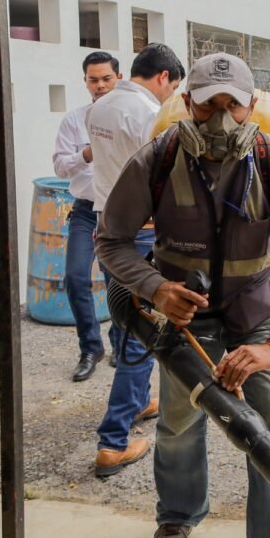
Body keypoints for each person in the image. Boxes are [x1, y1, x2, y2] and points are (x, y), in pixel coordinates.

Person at [95, 52, 270, 538]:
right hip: (183, 314)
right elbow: (110, 240)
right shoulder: (158, 157)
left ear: (251, 107)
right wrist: (154, 288)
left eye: (232, 105)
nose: (220, 120)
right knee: (179, 420)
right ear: (187, 103)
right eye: (208, 105)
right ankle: (177, 514)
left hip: (259, 315)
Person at [87, 42, 185, 477]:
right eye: (175, 86)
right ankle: (113, 441)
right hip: (141, 237)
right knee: (143, 334)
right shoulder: (150, 115)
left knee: (129, 323)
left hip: (107, 232)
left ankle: (141, 400)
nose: (173, 95)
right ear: (163, 77)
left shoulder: (99, 108)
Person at [53, 51, 121, 382]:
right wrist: (86, 153)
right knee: (76, 277)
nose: (100, 85)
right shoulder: (74, 120)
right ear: (85, 82)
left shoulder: (128, 117)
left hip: (118, 212)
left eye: (106, 78)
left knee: (117, 284)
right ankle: (90, 347)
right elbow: (60, 165)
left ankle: (120, 345)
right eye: (93, 80)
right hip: (84, 212)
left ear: (118, 79)